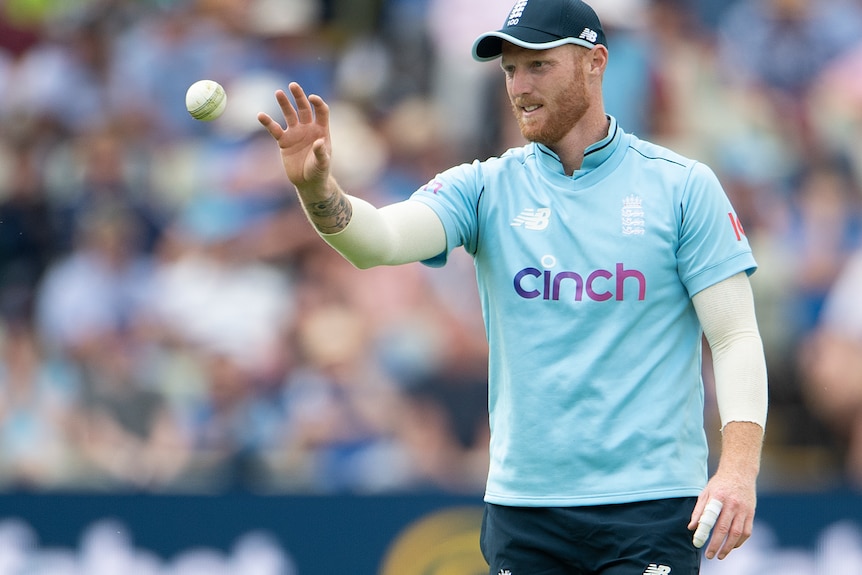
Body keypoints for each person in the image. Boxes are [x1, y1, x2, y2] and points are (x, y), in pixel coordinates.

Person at [258, 0, 768, 572]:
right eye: (509, 70)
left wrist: (738, 469)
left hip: (649, 507)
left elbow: (735, 338)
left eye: (538, 66)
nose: (520, 86)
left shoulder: (682, 187)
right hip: (525, 510)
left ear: (594, 62)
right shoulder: (484, 187)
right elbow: (377, 241)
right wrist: (317, 191)